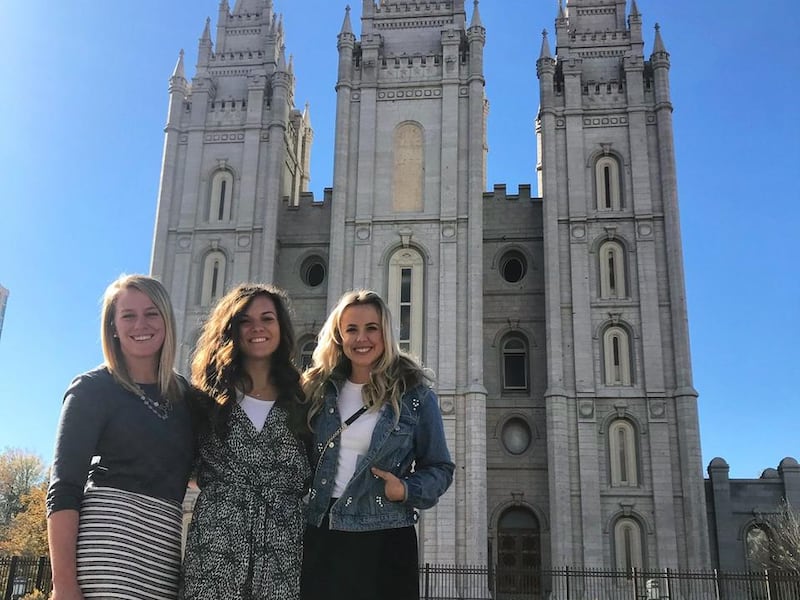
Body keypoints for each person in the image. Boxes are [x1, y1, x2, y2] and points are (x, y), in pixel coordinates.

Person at [46, 274, 195, 600]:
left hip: (163, 559)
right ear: (113, 326)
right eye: (128, 315)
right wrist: (64, 584)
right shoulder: (91, 389)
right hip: (106, 555)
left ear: (167, 319)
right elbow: (63, 488)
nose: (141, 323)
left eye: (151, 313)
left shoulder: (186, 397)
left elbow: (202, 473)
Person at [300, 290, 455, 600]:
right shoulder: (318, 390)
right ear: (339, 336)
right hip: (324, 531)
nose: (362, 338)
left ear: (385, 332)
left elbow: (440, 468)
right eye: (352, 329)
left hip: (386, 534)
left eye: (371, 328)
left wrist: (406, 489)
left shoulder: (415, 395)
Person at [180, 283, 311, 600]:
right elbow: (183, 464)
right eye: (245, 321)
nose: (257, 328)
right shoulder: (205, 399)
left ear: (281, 327)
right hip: (215, 549)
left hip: (282, 553)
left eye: (267, 319)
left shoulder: (303, 399)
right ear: (231, 329)